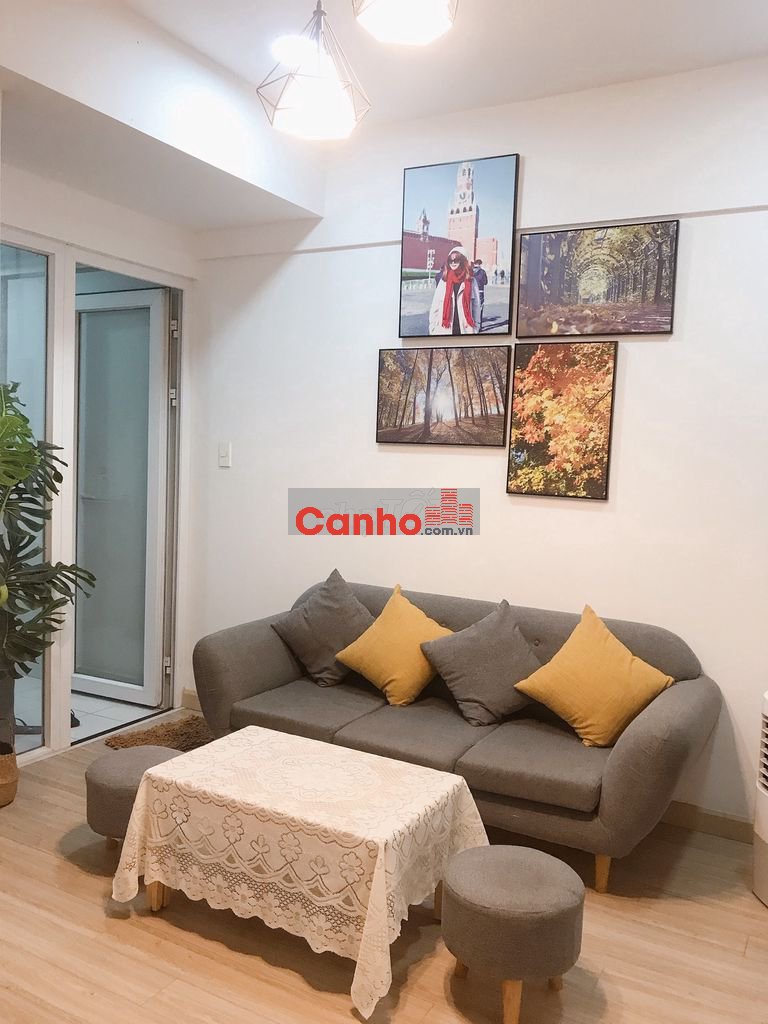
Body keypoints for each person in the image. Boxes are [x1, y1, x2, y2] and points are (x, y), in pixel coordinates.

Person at [429, 246, 480, 335]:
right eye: (450, 260)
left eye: (456, 260)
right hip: (444, 329)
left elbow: (476, 307)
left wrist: (476, 328)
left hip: (465, 330)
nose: (453, 263)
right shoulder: (444, 280)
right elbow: (435, 306)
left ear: (462, 261)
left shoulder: (471, 281)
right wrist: (432, 329)